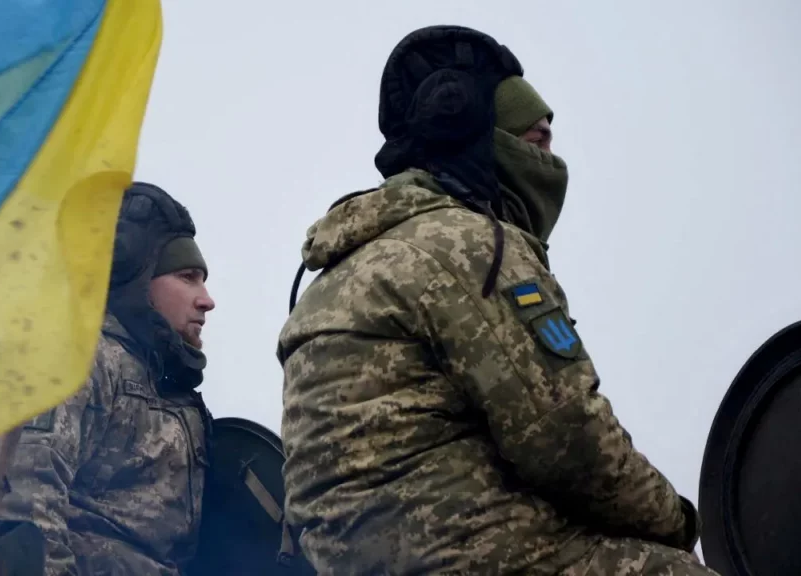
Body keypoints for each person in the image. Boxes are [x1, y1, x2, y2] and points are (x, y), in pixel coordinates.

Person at [277, 25, 717, 575]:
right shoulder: (467, 245)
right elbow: (567, 436)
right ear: (478, 139)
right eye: (537, 141)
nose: (552, 162)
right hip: (472, 552)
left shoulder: (336, 273)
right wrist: (680, 524)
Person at [0, 182, 216, 575]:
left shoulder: (165, 391)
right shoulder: (68, 358)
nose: (206, 300)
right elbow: (17, 512)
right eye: (187, 277)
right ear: (135, 276)